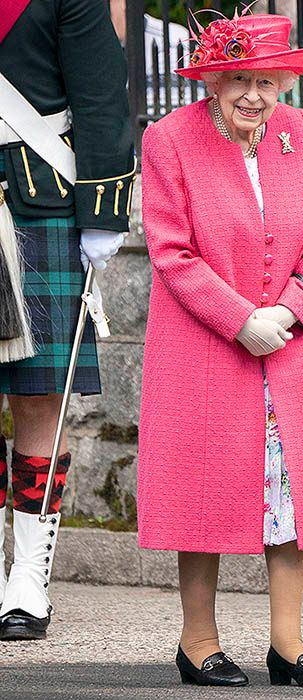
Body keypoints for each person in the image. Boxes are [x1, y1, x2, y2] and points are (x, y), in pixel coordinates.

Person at [138, 9, 303, 688]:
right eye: (239, 79)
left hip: (281, 342)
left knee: (287, 495)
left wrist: (288, 308)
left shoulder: (296, 132)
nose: (255, 95)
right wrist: (239, 318)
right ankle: (198, 643)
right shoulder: (169, 139)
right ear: (213, 80)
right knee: (205, 490)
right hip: (204, 344)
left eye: (268, 81)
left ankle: (288, 644)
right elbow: (172, 251)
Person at [0, 0, 135, 640]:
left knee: (38, 397)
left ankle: (27, 575)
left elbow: (102, 93)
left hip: (35, 199)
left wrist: (102, 212)